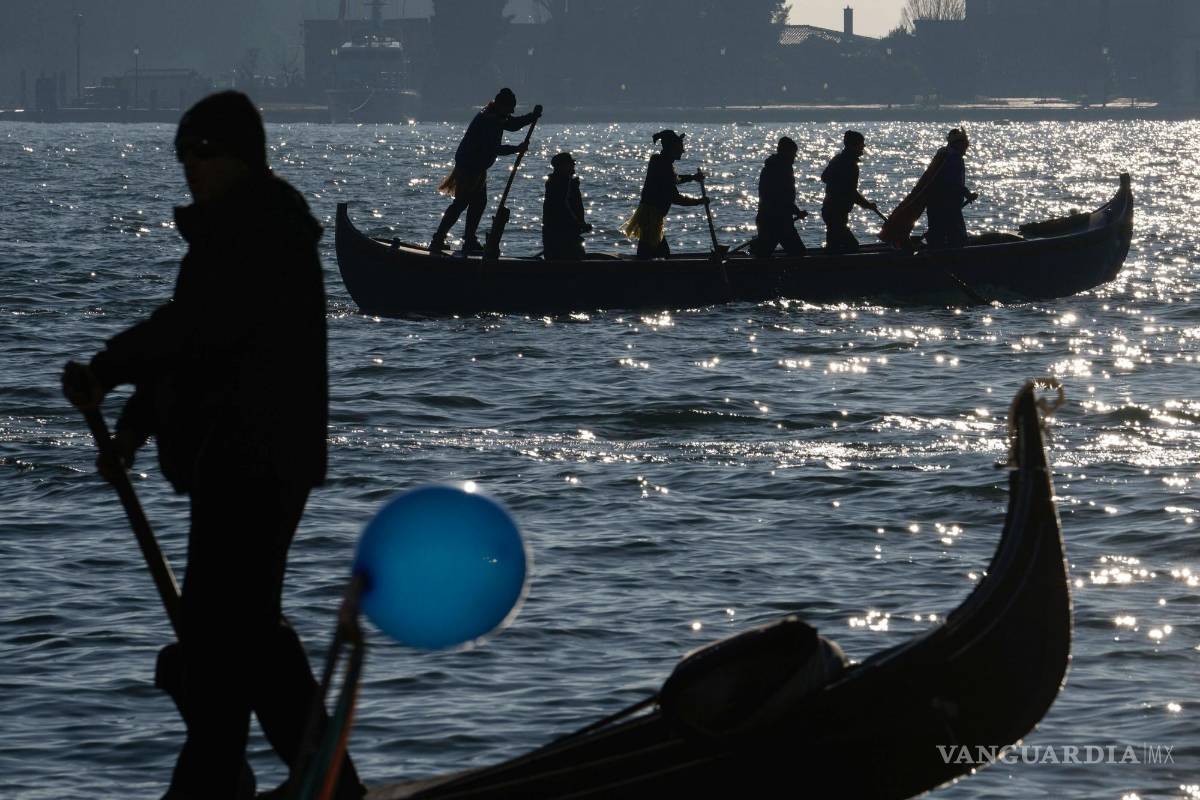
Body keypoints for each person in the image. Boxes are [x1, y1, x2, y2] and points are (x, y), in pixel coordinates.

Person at [61, 91, 362, 800]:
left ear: (242, 157)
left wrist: (107, 368)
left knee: (225, 636)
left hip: (258, 460)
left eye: (203, 152)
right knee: (239, 634)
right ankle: (307, 781)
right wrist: (132, 430)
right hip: (233, 459)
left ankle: (238, 781)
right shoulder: (235, 228)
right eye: (183, 154)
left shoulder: (260, 230)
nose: (190, 166)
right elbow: (191, 350)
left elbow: (193, 329)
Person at [431, 87, 542, 254]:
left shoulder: (497, 115)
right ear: (501, 105)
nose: (511, 111)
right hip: (469, 167)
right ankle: (440, 239)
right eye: (510, 108)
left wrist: (532, 117)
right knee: (461, 203)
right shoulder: (488, 119)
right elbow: (494, 148)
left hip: (477, 168)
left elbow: (512, 124)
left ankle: (468, 240)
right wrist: (516, 149)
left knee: (478, 203)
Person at [622, 130, 709, 259]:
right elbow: (675, 197)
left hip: (652, 215)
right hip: (651, 217)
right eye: (679, 148)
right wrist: (699, 201)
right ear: (671, 148)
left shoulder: (661, 162)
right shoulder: (663, 165)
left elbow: (674, 179)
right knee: (654, 253)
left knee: (654, 252)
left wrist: (692, 177)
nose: (682, 151)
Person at [819, 130, 879, 254]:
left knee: (833, 246)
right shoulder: (850, 165)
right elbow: (851, 192)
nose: (863, 146)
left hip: (830, 209)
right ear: (853, 146)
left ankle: (830, 262)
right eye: (861, 144)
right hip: (836, 212)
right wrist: (867, 205)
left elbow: (824, 177)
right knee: (852, 246)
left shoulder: (837, 159)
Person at [750, 136, 807, 258]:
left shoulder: (772, 167)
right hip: (778, 221)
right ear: (786, 152)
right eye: (793, 154)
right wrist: (797, 212)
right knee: (799, 254)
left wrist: (796, 211)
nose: (794, 157)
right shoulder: (781, 170)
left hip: (768, 218)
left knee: (762, 255)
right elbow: (781, 198)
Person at [924, 128, 979, 249]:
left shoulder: (942, 153)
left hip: (934, 204)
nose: (966, 149)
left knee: (937, 236)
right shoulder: (954, 158)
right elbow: (953, 183)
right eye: (965, 145)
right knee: (957, 238)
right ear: (958, 144)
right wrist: (968, 194)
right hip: (948, 206)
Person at [541, 151, 591, 260]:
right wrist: (579, 224)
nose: (574, 165)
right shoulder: (563, 182)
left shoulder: (559, 181)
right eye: (570, 163)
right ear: (562, 166)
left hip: (558, 232)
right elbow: (563, 206)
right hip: (563, 234)